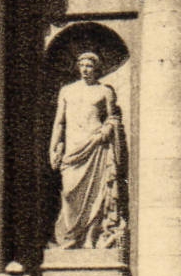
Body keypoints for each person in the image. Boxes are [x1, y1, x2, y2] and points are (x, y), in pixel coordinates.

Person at [49, 50, 126, 249]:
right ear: (77, 67)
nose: (85, 69)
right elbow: (59, 122)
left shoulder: (105, 91)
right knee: (68, 192)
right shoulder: (67, 90)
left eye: (90, 66)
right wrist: (52, 148)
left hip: (95, 145)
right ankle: (69, 237)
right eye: (82, 65)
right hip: (73, 148)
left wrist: (106, 130)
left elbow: (113, 117)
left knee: (95, 194)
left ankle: (90, 238)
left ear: (97, 68)